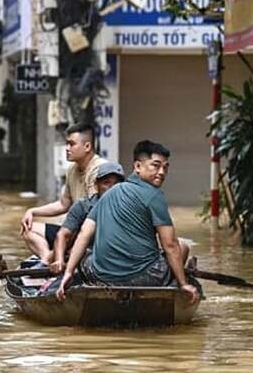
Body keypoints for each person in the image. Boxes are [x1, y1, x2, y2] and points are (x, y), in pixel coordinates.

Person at [56, 140, 199, 305]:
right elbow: (170, 245)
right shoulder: (155, 195)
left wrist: (68, 272)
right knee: (183, 246)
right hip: (146, 278)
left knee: (86, 255)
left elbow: (83, 234)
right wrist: (184, 284)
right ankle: (172, 290)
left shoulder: (108, 194)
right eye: (156, 166)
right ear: (137, 166)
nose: (161, 172)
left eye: (165, 167)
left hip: (100, 278)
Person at [20, 123, 106, 264]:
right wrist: (32, 211)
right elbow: (63, 204)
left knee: (67, 240)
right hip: (72, 230)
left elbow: (92, 217)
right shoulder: (72, 169)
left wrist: (61, 243)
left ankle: (54, 258)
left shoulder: (99, 170)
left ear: (87, 147)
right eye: (66, 144)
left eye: (71, 144)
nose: (66, 149)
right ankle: (47, 258)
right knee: (28, 229)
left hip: (91, 234)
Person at [48, 161, 125, 275]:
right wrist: (59, 260)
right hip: (88, 255)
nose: (111, 188)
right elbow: (62, 235)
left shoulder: (129, 206)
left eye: (116, 184)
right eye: (106, 183)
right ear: (96, 185)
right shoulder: (83, 206)